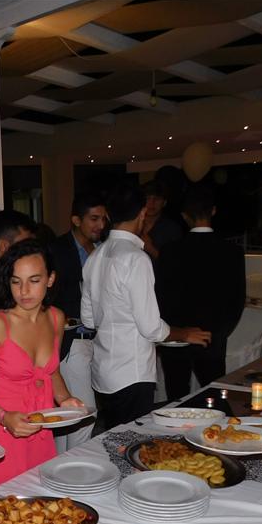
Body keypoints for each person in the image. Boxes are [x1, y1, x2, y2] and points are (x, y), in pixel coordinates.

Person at [82, 184, 211, 431]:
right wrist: (184, 333)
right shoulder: (135, 258)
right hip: (131, 373)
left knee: (113, 437)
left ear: (108, 215)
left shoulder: (95, 257)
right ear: (142, 213)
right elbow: (151, 328)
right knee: (132, 439)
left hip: (103, 372)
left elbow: (88, 319)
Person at [0, 239, 83, 491]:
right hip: (1, 431)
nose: (24, 291)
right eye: (16, 281)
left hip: (41, 430)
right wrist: (4, 417)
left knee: (40, 506)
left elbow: (51, 372)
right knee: (0, 509)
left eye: (34, 280)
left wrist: (65, 400)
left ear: (50, 279)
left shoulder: (56, 318)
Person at [154, 184, 246, 400]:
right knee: (215, 397)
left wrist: (173, 329)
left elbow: (160, 296)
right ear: (213, 211)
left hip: (176, 337)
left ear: (185, 216)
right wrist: (219, 333)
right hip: (212, 337)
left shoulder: (169, 251)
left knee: (176, 398)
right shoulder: (231, 252)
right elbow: (237, 300)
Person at [48, 194, 107, 452]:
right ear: (76, 220)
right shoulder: (57, 249)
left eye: (103, 219)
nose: (100, 225)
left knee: (69, 415)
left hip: (98, 340)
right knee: (84, 414)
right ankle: (74, 465)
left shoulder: (103, 250)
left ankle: (59, 464)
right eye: (94, 219)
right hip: (71, 341)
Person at [140, 179, 186, 262]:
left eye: (157, 199)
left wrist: (151, 249)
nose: (151, 203)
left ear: (164, 202)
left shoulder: (172, 229)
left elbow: (176, 263)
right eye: (148, 198)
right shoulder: (132, 224)